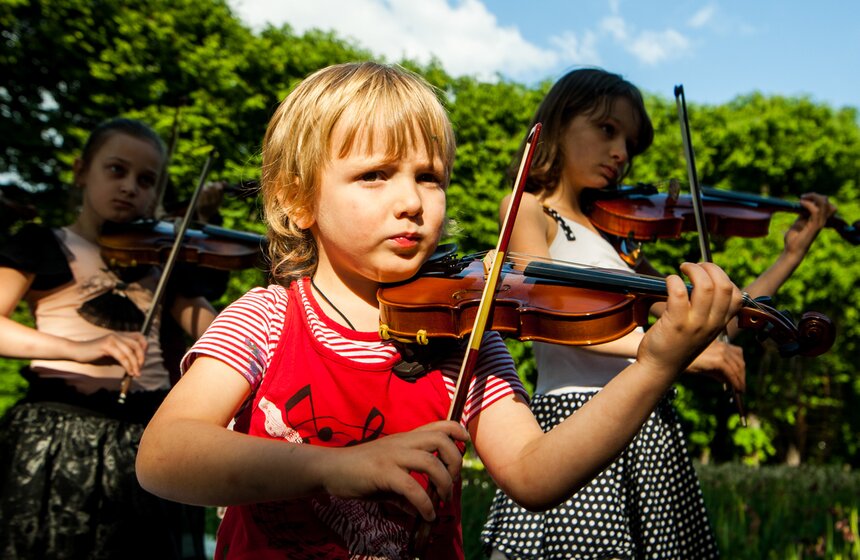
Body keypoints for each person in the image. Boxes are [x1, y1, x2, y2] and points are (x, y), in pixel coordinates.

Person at [135, 61, 744, 559]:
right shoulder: (266, 318)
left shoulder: (466, 336)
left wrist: (655, 366)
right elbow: (165, 456)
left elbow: (537, 474)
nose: (412, 202)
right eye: (375, 175)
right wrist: (331, 468)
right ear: (298, 200)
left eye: (430, 177)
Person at [480, 67, 838, 560]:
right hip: (575, 421)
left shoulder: (618, 239)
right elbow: (543, 311)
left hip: (650, 428)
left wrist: (790, 254)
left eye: (629, 142)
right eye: (607, 130)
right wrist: (677, 355)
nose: (622, 154)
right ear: (560, 125)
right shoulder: (529, 210)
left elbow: (714, 321)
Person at [0, 118, 217, 559]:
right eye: (115, 170)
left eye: (146, 180)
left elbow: (213, 331)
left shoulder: (163, 260)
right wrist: (79, 349)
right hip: (59, 430)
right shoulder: (43, 243)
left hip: (143, 439)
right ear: (82, 171)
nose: (130, 187)